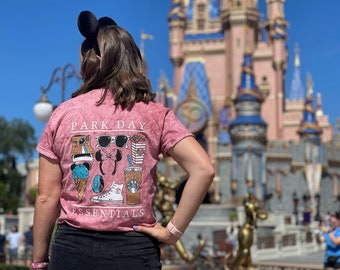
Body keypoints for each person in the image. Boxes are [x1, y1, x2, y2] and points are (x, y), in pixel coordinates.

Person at [32, 10, 214, 270]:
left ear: (95, 60)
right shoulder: (155, 113)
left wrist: (39, 261)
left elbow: (46, 197)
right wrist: (172, 232)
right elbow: (204, 169)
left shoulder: (62, 114)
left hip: (73, 250)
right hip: (133, 250)